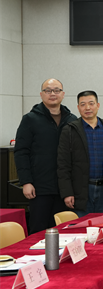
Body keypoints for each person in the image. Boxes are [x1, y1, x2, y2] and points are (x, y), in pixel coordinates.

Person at [15, 78, 77, 234]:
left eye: (56, 90)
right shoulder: (30, 119)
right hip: (39, 187)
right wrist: (26, 181)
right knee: (39, 231)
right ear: (41, 94)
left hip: (64, 189)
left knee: (64, 231)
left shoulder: (72, 120)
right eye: (48, 90)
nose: (52, 94)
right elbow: (21, 151)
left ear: (63, 94)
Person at [57, 90, 103, 217]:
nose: (87, 108)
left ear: (98, 105)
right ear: (78, 108)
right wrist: (67, 193)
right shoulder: (69, 130)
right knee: (82, 226)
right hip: (81, 191)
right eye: (83, 104)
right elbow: (63, 164)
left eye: (91, 103)